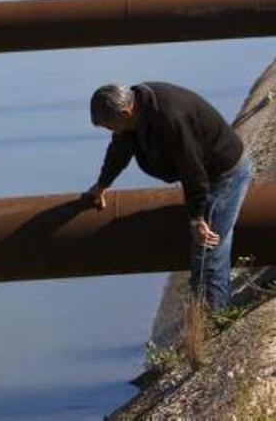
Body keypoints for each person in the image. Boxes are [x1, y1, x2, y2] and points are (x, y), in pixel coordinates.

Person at [84, 82, 252, 313]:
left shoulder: (171, 117)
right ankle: (207, 312)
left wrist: (197, 219)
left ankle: (216, 317)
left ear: (126, 113)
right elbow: (119, 150)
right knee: (205, 248)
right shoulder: (135, 112)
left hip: (223, 174)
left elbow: (193, 171)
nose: (113, 132)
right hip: (201, 174)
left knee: (208, 248)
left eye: (112, 127)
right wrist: (102, 185)